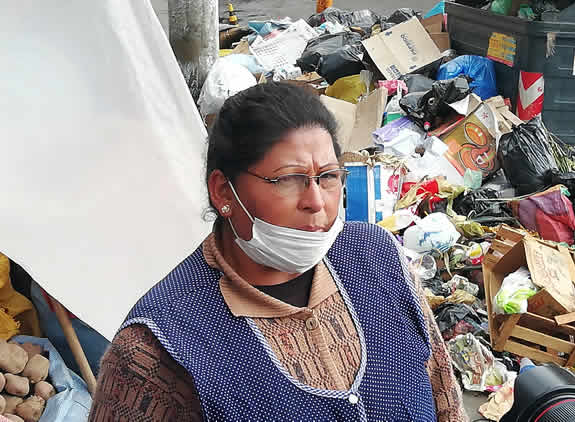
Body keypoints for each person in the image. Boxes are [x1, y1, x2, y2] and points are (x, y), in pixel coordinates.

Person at [89, 82, 467, 421]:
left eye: (329, 176)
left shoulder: (375, 257)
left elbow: (443, 391)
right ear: (223, 192)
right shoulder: (157, 350)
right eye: (288, 180)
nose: (316, 202)